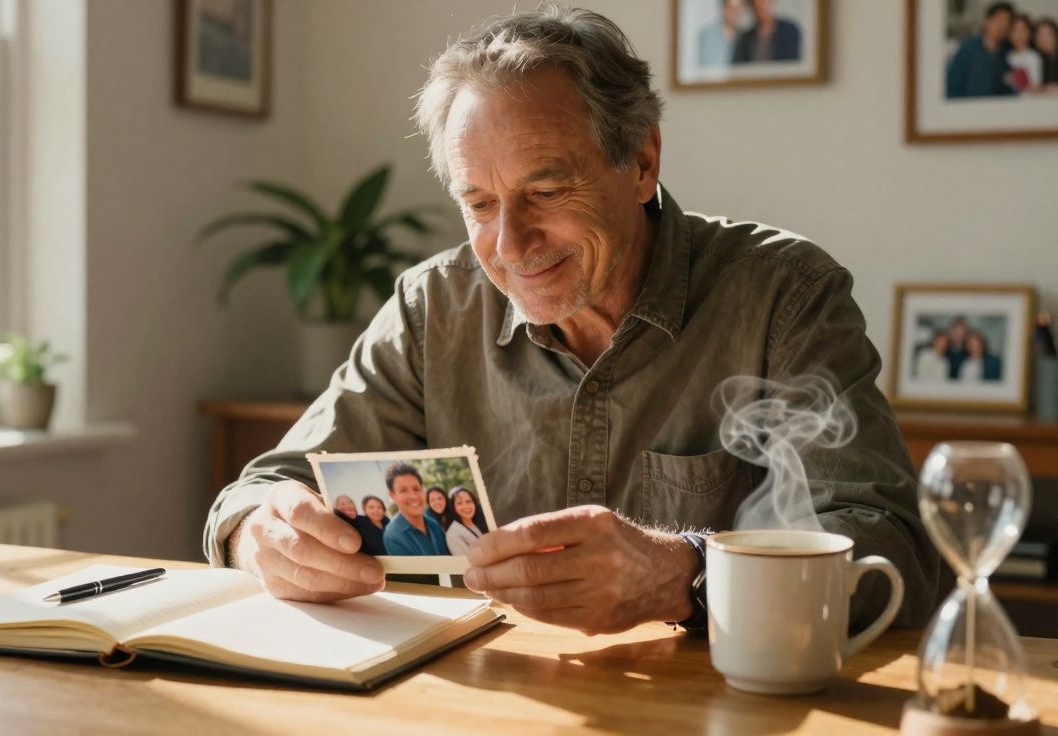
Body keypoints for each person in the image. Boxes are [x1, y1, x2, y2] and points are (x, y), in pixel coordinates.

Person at [207, 6, 938, 635]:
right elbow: (262, 487)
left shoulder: (785, 294)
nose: (511, 245)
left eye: (547, 189)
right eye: (480, 206)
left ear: (643, 159)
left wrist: (682, 574)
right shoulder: (435, 306)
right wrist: (259, 534)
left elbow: (889, 553)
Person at [947, 2, 1015, 98]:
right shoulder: (967, 49)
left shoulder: (1008, 54)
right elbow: (952, 86)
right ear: (986, 21)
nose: (1002, 26)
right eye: (998, 20)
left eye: (1007, 22)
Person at [381, 463, 451, 556]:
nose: (413, 496)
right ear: (392, 496)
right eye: (403, 490)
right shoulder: (393, 535)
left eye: (416, 489)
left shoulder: (433, 524)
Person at [731, 0, 801, 63]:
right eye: (754, 3)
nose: (759, 7)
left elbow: (791, 65)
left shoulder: (789, 31)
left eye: (763, 1)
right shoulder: (745, 38)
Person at [698, 0, 746, 68]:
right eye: (731, 8)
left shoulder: (746, 37)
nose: (735, 13)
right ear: (724, 9)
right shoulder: (707, 36)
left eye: (738, 8)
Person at [445, 487, 488, 556]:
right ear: (453, 507)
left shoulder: (477, 524)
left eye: (468, 501)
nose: (465, 506)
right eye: (459, 503)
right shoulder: (453, 533)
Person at [1005, 14, 1042, 93]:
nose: (1018, 35)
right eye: (1014, 30)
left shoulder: (1033, 57)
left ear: (1029, 33)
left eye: (1022, 30)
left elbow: (1036, 86)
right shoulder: (1007, 56)